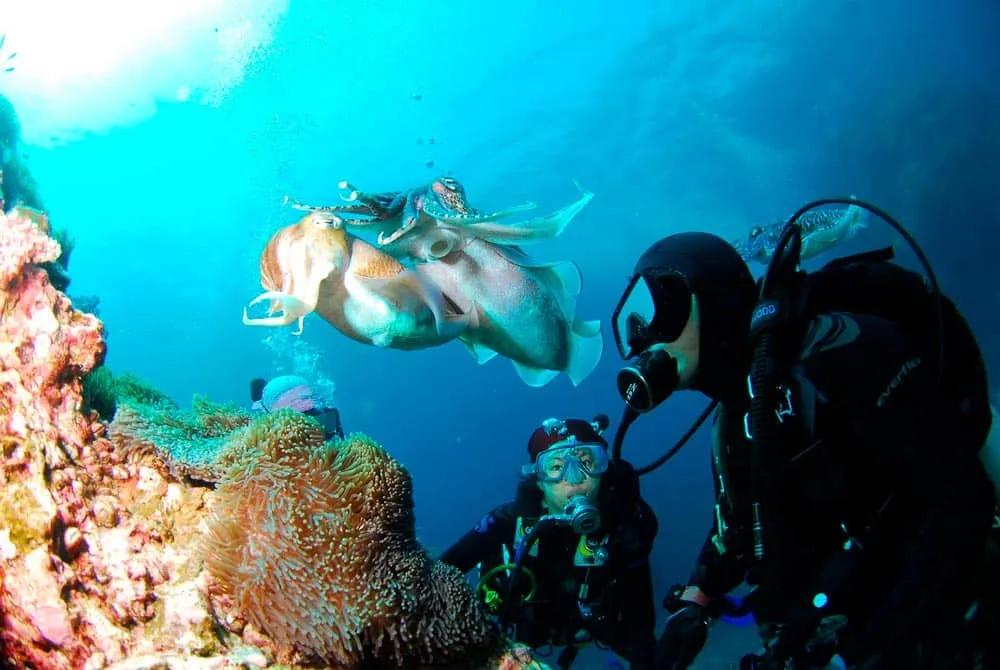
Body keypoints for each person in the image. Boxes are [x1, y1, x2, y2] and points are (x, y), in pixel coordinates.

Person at [610, 226, 998, 669]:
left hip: (946, 633)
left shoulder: (842, 351)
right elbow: (736, 529)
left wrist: (855, 656)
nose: (644, 338)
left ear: (714, 298)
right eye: (635, 324)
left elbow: (960, 503)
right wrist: (696, 600)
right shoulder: (734, 421)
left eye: (662, 307)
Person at [440, 415, 659, 669]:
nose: (575, 478)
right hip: (524, 627)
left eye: (587, 461)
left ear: (603, 468)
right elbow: (440, 571)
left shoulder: (623, 528)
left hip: (592, 624)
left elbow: (641, 621)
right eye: (556, 467)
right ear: (538, 480)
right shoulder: (506, 522)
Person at [249, 374, 344, 440]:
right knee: (321, 422)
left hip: (292, 412)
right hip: (308, 401)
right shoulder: (277, 383)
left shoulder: (264, 399)